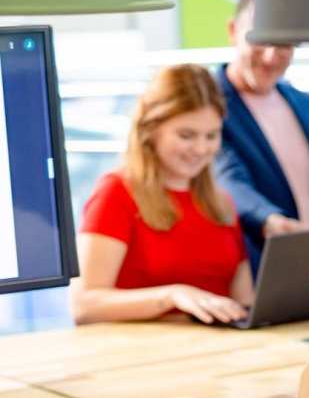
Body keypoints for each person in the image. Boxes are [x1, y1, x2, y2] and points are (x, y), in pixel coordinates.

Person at [71, 65, 252, 325]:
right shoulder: (116, 193)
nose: (201, 148)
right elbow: (84, 305)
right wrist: (171, 296)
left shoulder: (221, 202)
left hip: (219, 352)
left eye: (211, 136)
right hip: (144, 355)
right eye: (186, 135)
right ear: (151, 129)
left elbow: (244, 302)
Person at [215, 0, 309, 273]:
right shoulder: (209, 105)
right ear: (233, 31)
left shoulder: (302, 102)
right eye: (260, 40)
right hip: (257, 267)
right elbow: (226, 179)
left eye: (284, 43)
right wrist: (267, 218)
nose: (271, 57)